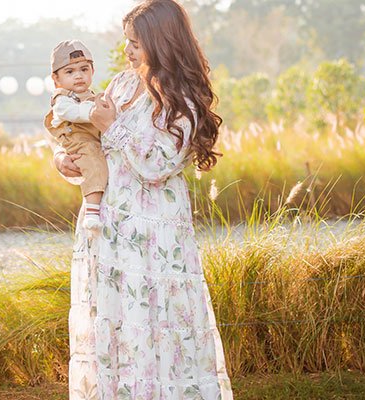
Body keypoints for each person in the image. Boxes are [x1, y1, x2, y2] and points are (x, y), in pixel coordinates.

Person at [53, 0, 234, 398]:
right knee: (117, 326)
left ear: (161, 42)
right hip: (109, 230)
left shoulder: (182, 100)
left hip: (153, 239)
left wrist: (112, 126)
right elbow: (97, 147)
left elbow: (157, 165)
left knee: (156, 323)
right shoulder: (120, 84)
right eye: (126, 42)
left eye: (135, 43)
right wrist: (66, 160)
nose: (127, 51)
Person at [44, 40, 107, 237]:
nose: (78, 76)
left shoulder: (91, 95)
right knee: (93, 162)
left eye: (84, 69)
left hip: (91, 138)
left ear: (92, 71)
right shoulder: (62, 98)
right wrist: (96, 112)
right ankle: (92, 210)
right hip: (78, 140)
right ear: (56, 79)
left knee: (97, 161)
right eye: (69, 72)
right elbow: (72, 112)